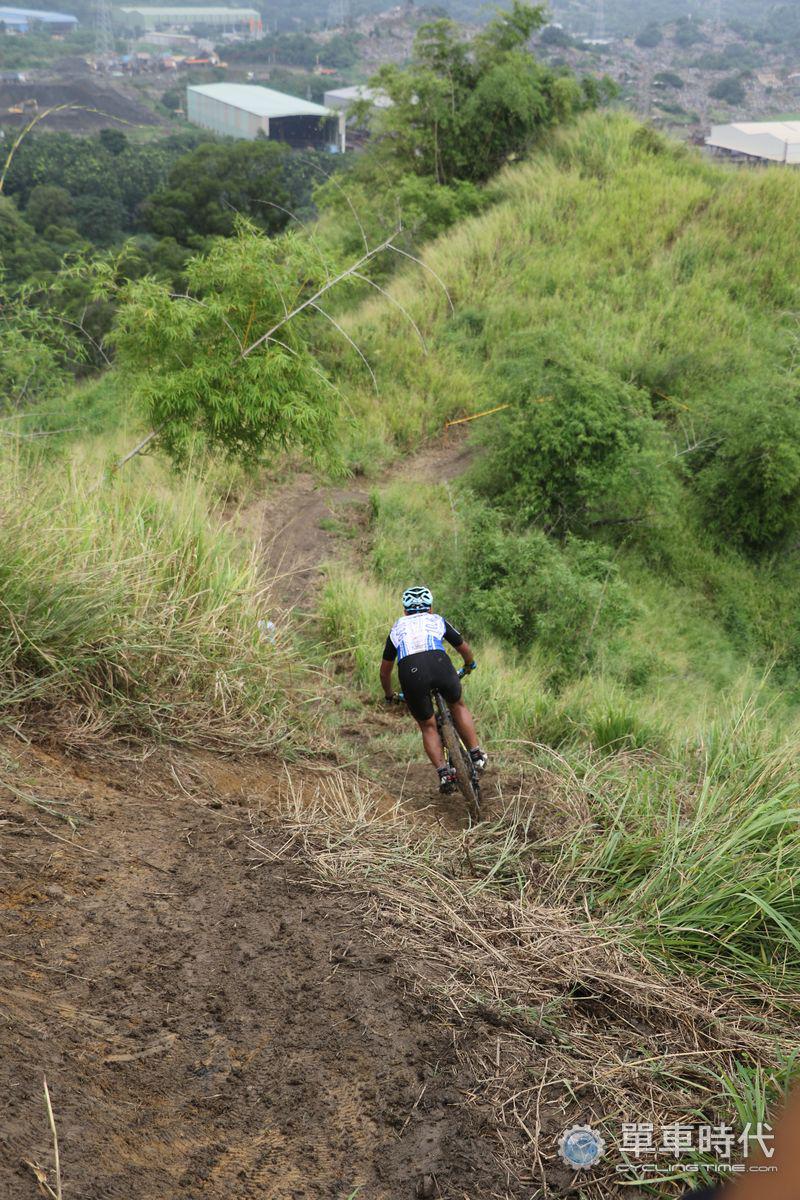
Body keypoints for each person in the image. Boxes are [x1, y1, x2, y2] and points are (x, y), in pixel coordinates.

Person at [380, 585, 488, 792]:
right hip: (439, 664)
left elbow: (385, 671)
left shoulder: (397, 627)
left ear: (405, 611)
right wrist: (469, 664)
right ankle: (476, 754)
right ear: (430, 608)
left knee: (427, 726)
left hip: (411, 673)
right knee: (456, 704)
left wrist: (389, 694)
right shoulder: (436, 619)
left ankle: (444, 774)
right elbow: (463, 647)